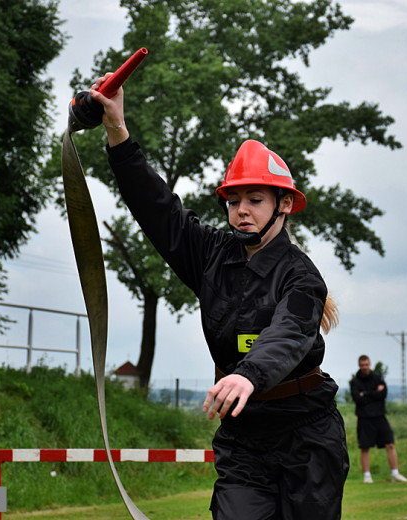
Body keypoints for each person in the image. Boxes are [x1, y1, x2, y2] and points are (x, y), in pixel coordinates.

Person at [89, 75, 350, 520]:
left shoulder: (303, 277)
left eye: (254, 199)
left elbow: (289, 333)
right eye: (233, 201)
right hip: (244, 439)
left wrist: (248, 374)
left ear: (283, 205)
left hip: (307, 437)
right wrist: (117, 128)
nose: (241, 211)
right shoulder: (210, 254)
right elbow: (157, 209)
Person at [350, 355, 407, 484]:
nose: (364, 367)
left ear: (370, 364)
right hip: (364, 417)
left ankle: (395, 474)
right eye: (362, 365)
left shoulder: (377, 378)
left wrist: (365, 393)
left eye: (366, 364)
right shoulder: (355, 382)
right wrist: (374, 393)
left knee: (390, 444)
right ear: (359, 365)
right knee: (365, 447)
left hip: (380, 416)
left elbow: (383, 394)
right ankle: (367, 476)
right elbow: (357, 399)